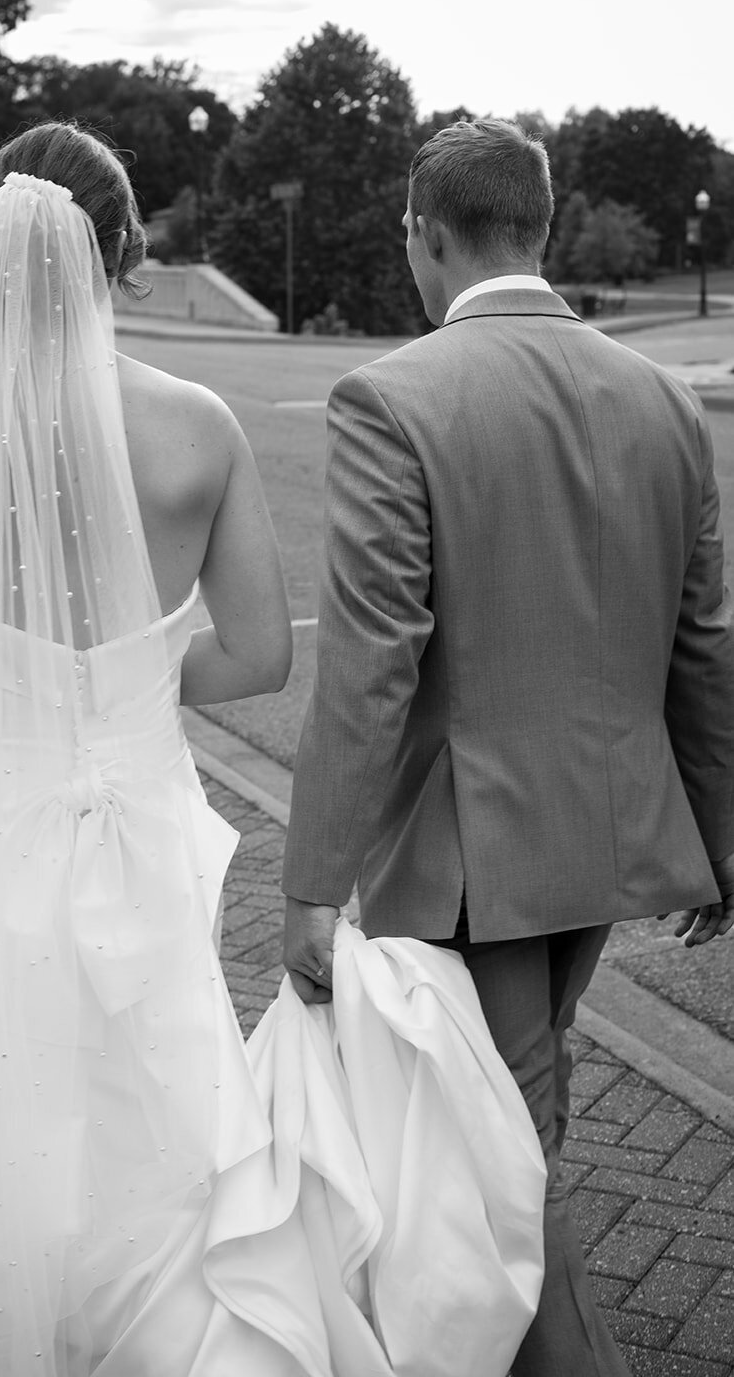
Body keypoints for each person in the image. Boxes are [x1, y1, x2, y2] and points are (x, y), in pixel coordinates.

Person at [0, 121, 546, 1377]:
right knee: (157, 1148)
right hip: (138, 837)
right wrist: (131, 686)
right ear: (127, 257)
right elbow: (258, 655)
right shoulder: (195, 426)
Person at [282, 116, 734, 1377]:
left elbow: (370, 661)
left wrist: (311, 884)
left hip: (475, 852)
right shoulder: (659, 395)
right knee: (519, 1119)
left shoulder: (392, 394)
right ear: (536, 223)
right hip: (614, 837)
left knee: (504, 1152)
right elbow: (700, 640)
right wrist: (720, 835)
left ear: (425, 234)